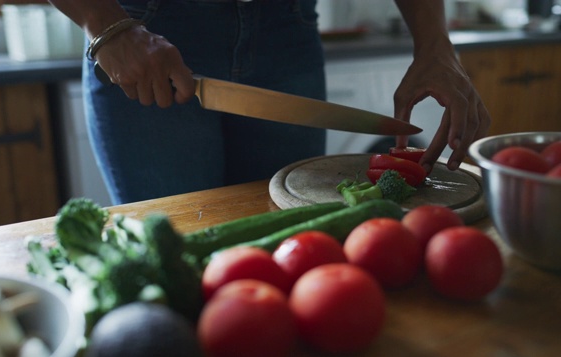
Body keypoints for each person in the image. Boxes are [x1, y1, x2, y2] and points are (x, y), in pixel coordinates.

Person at [48, 0, 490, 205]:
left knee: (285, 236)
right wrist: (102, 21)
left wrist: (436, 46)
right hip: (144, 36)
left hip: (287, 27)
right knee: (174, 251)